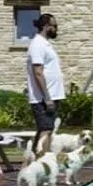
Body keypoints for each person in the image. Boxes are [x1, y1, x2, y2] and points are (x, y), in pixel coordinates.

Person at [26, 13, 65, 156]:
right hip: (43, 98)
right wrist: (47, 97)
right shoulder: (37, 44)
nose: (56, 29)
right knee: (46, 130)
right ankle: (43, 165)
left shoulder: (45, 44)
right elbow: (38, 72)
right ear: (46, 26)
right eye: (54, 26)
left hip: (51, 95)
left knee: (46, 130)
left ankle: (33, 166)